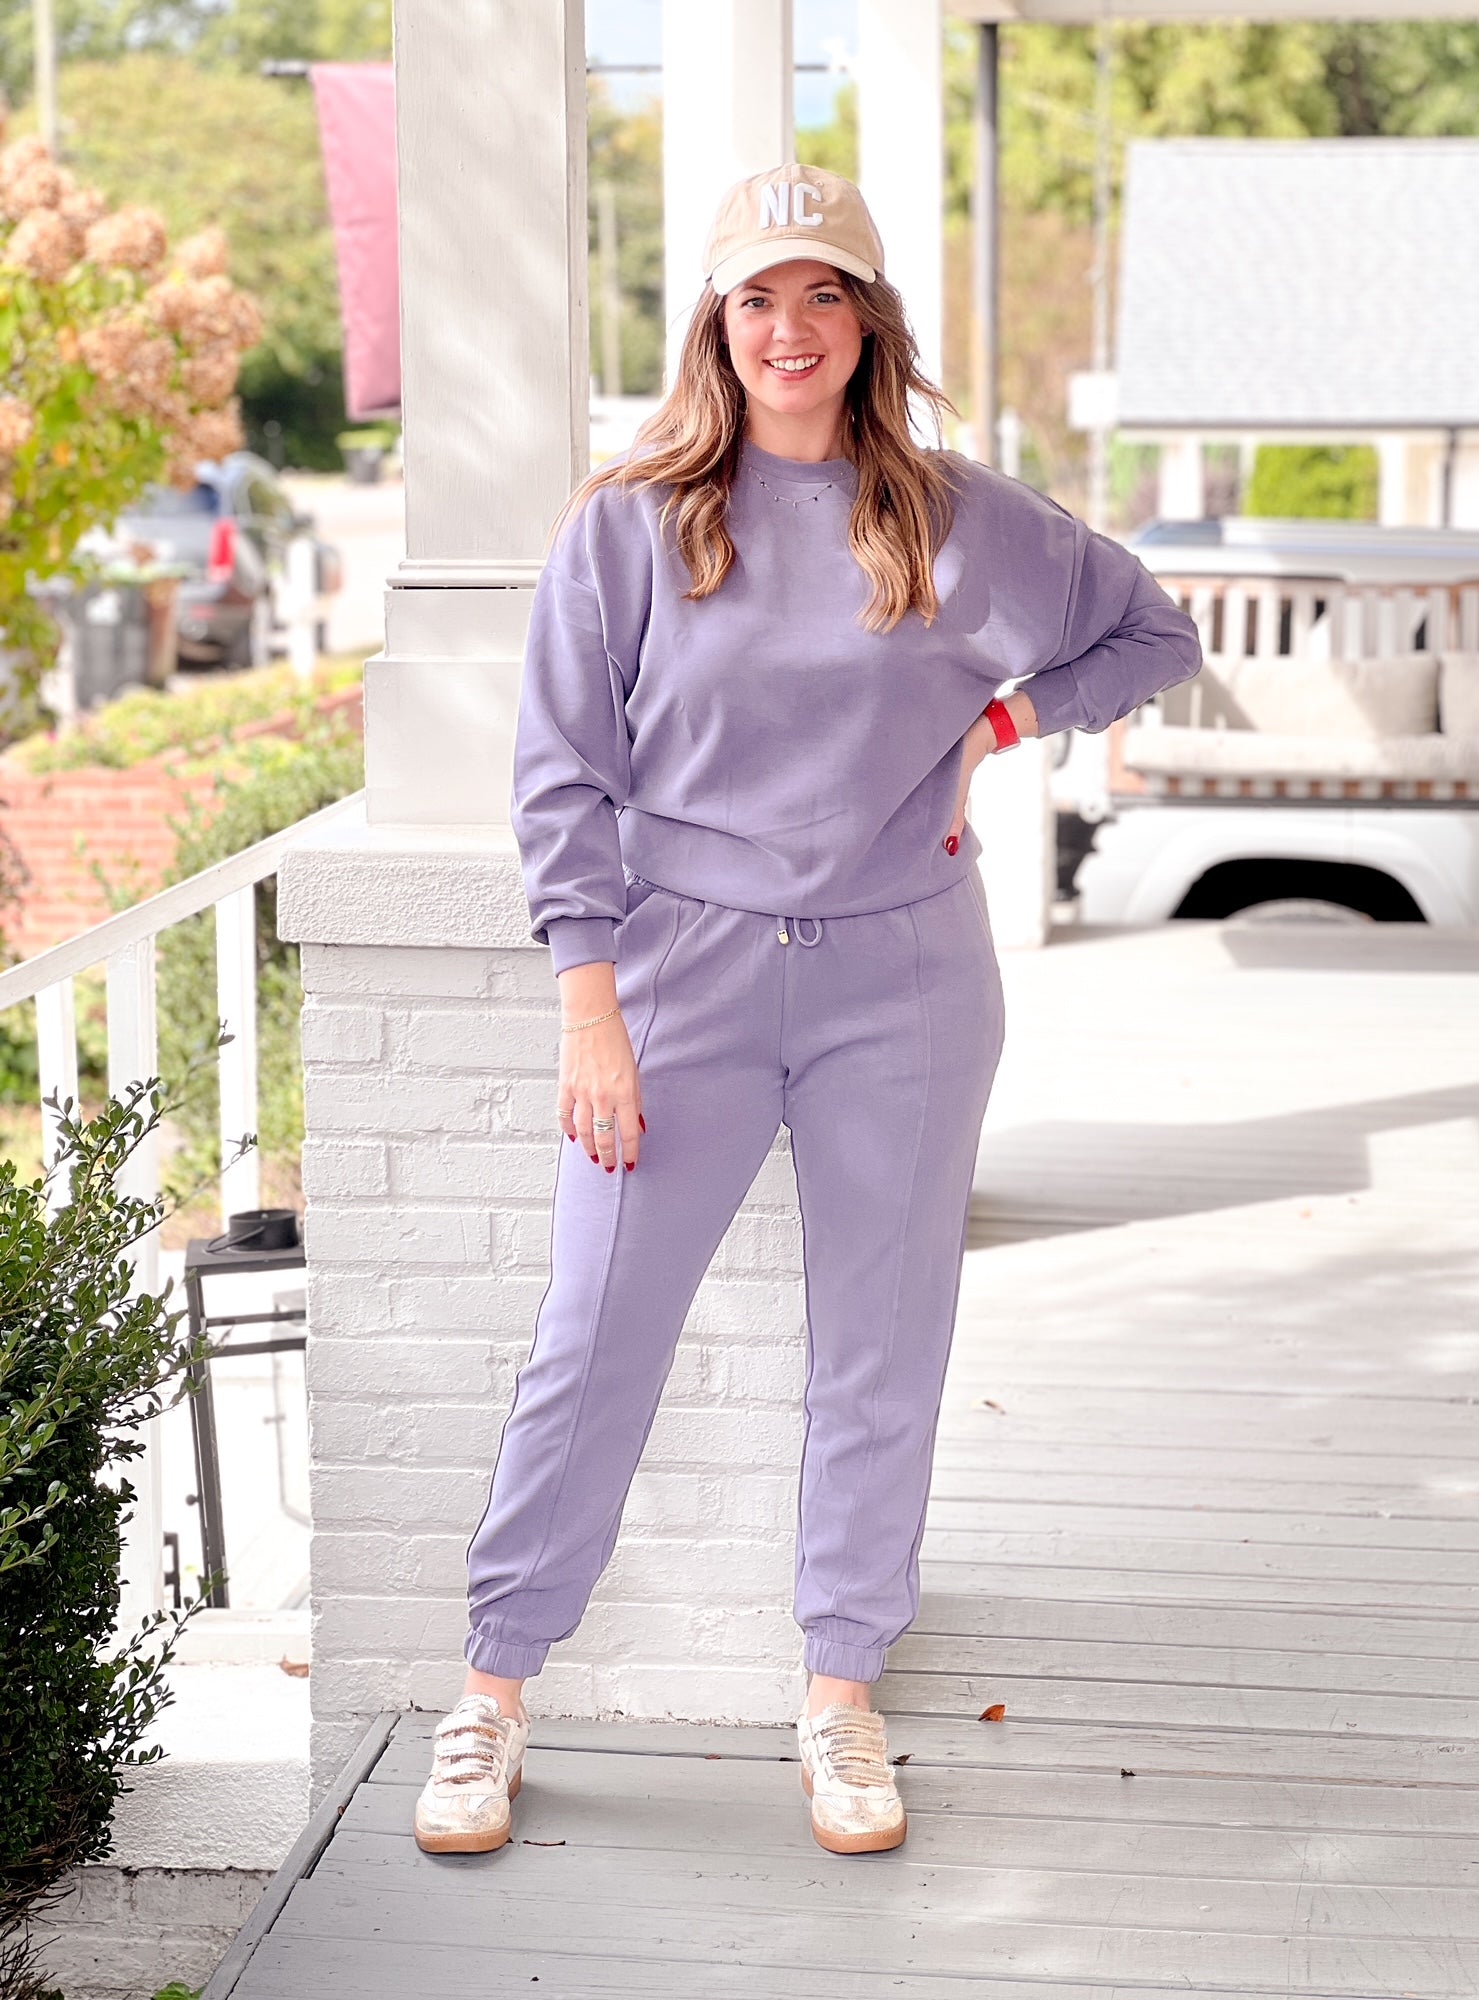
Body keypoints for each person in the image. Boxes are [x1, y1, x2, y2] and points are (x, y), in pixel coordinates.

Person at [413, 162, 1202, 1860]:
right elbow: (562, 777)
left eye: (823, 293)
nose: (791, 328)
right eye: (759, 297)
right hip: (676, 980)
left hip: (902, 982)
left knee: (880, 1350)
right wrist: (590, 1007)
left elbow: (1153, 633)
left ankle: (842, 1696)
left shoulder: (959, 519)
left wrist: (998, 729)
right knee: (593, 1339)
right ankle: (491, 1692)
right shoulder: (630, 523)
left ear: (867, 320)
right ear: (717, 323)